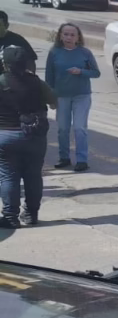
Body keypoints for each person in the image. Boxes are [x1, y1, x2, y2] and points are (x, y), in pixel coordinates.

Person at [0, 45, 55, 228]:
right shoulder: (37, 82)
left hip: (6, 135)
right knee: (33, 176)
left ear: (5, 64)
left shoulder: (1, 81)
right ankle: (31, 214)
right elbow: (54, 102)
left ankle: (10, 217)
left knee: (9, 177)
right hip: (34, 136)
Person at [44, 23, 99, 172]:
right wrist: (51, 98)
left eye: (72, 35)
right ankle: (64, 157)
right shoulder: (54, 52)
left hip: (82, 96)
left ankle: (82, 160)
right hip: (62, 97)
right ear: (60, 36)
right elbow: (49, 77)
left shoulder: (85, 53)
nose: (68, 37)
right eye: (65, 34)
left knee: (80, 128)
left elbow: (96, 72)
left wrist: (81, 71)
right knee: (62, 129)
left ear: (78, 37)